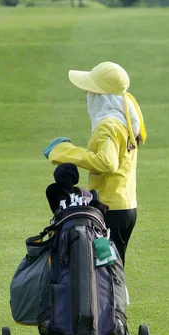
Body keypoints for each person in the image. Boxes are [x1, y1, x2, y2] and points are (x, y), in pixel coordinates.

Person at [42, 61, 147, 266]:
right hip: (125, 206)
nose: (87, 95)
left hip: (110, 208)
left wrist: (66, 153)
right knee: (113, 271)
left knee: (102, 272)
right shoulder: (125, 117)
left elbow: (107, 163)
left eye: (90, 91)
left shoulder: (108, 124)